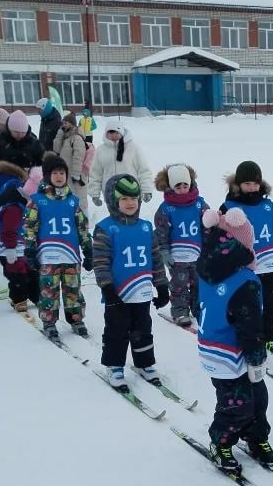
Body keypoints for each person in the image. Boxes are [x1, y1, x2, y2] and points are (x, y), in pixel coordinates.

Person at [196, 207, 273, 473]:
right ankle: (220, 441)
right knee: (237, 403)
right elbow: (250, 325)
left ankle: (256, 437)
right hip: (232, 353)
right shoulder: (245, 280)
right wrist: (256, 358)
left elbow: (198, 305)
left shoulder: (206, 267)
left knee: (255, 397)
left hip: (212, 347)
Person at [91, 174, 167, 391]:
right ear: (113, 201)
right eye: (124, 198)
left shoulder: (145, 227)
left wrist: (162, 286)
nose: (130, 203)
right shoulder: (106, 228)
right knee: (117, 329)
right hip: (118, 293)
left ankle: (144, 363)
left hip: (141, 291)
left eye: (134, 198)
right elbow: (100, 262)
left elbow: (155, 258)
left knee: (143, 328)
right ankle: (114, 365)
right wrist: (107, 288)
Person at [219, 160, 273, 357]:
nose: (252, 188)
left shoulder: (268, 206)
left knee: (271, 306)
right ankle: (244, 338)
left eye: (255, 183)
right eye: (247, 184)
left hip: (269, 267)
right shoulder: (229, 207)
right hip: (244, 270)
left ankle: (268, 338)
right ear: (238, 184)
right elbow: (220, 239)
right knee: (246, 307)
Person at [23, 154, 92, 340]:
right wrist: (29, 248)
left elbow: (82, 227)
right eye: (55, 173)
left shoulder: (73, 201)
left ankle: (76, 319)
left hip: (71, 255)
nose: (59, 176)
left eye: (62, 173)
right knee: (49, 290)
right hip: (48, 256)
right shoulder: (37, 201)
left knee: (73, 289)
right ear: (47, 176)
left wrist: (88, 248)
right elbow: (30, 227)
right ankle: (49, 321)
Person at [153, 163, 207, 327]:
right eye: (178, 186)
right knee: (179, 286)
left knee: (199, 284)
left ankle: (198, 309)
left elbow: (207, 227)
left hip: (197, 256)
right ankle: (180, 311)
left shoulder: (199, 204)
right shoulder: (166, 209)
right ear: (171, 187)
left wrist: (209, 248)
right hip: (177, 258)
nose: (182, 189)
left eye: (185, 185)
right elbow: (161, 233)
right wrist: (164, 252)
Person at [0, 160, 41, 312]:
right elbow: (8, 230)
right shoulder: (14, 207)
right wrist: (10, 249)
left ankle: (36, 296)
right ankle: (19, 299)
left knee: (31, 269)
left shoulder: (28, 203)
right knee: (17, 272)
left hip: (23, 240)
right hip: (10, 243)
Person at [0, 110, 44, 223]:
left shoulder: (33, 143)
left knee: (27, 222)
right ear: (9, 128)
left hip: (27, 189)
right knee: (3, 220)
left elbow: (43, 164)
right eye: (16, 132)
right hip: (1, 188)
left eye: (23, 132)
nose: (20, 135)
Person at [88, 124, 153, 210]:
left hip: (131, 193)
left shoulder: (133, 148)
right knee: (114, 217)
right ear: (106, 134)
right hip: (111, 194)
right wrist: (94, 194)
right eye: (110, 133)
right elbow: (96, 173)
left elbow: (144, 170)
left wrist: (147, 190)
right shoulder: (100, 150)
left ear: (121, 133)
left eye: (116, 133)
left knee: (131, 216)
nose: (113, 136)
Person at [52, 112, 89, 214]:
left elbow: (79, 156)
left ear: (72, 124)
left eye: (66, 123)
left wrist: (76, 173)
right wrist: (59, 135)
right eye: (63, 123)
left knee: (79, 198)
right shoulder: (65, 137)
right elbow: (56, 149)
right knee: (69, 198)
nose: (63, 125)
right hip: (67, 174)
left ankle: (84, 218)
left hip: (77, 175)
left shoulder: (76, 137)